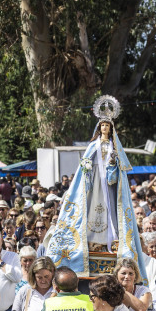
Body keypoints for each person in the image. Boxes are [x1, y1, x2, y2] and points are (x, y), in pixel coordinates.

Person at [45, 98, 147, 285]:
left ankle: (111, 241)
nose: (105, 129)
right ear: (99, 128)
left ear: (112, 129)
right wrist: (88, 171)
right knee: (90, 211)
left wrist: (112, 165)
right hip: (93, 189)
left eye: (108, 126)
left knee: (110, 214)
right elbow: (84, 169)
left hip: (108, 189)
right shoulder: (92, 147)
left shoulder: (115, 149)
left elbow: (115, 176)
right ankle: (91, 241)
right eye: (103, 126)